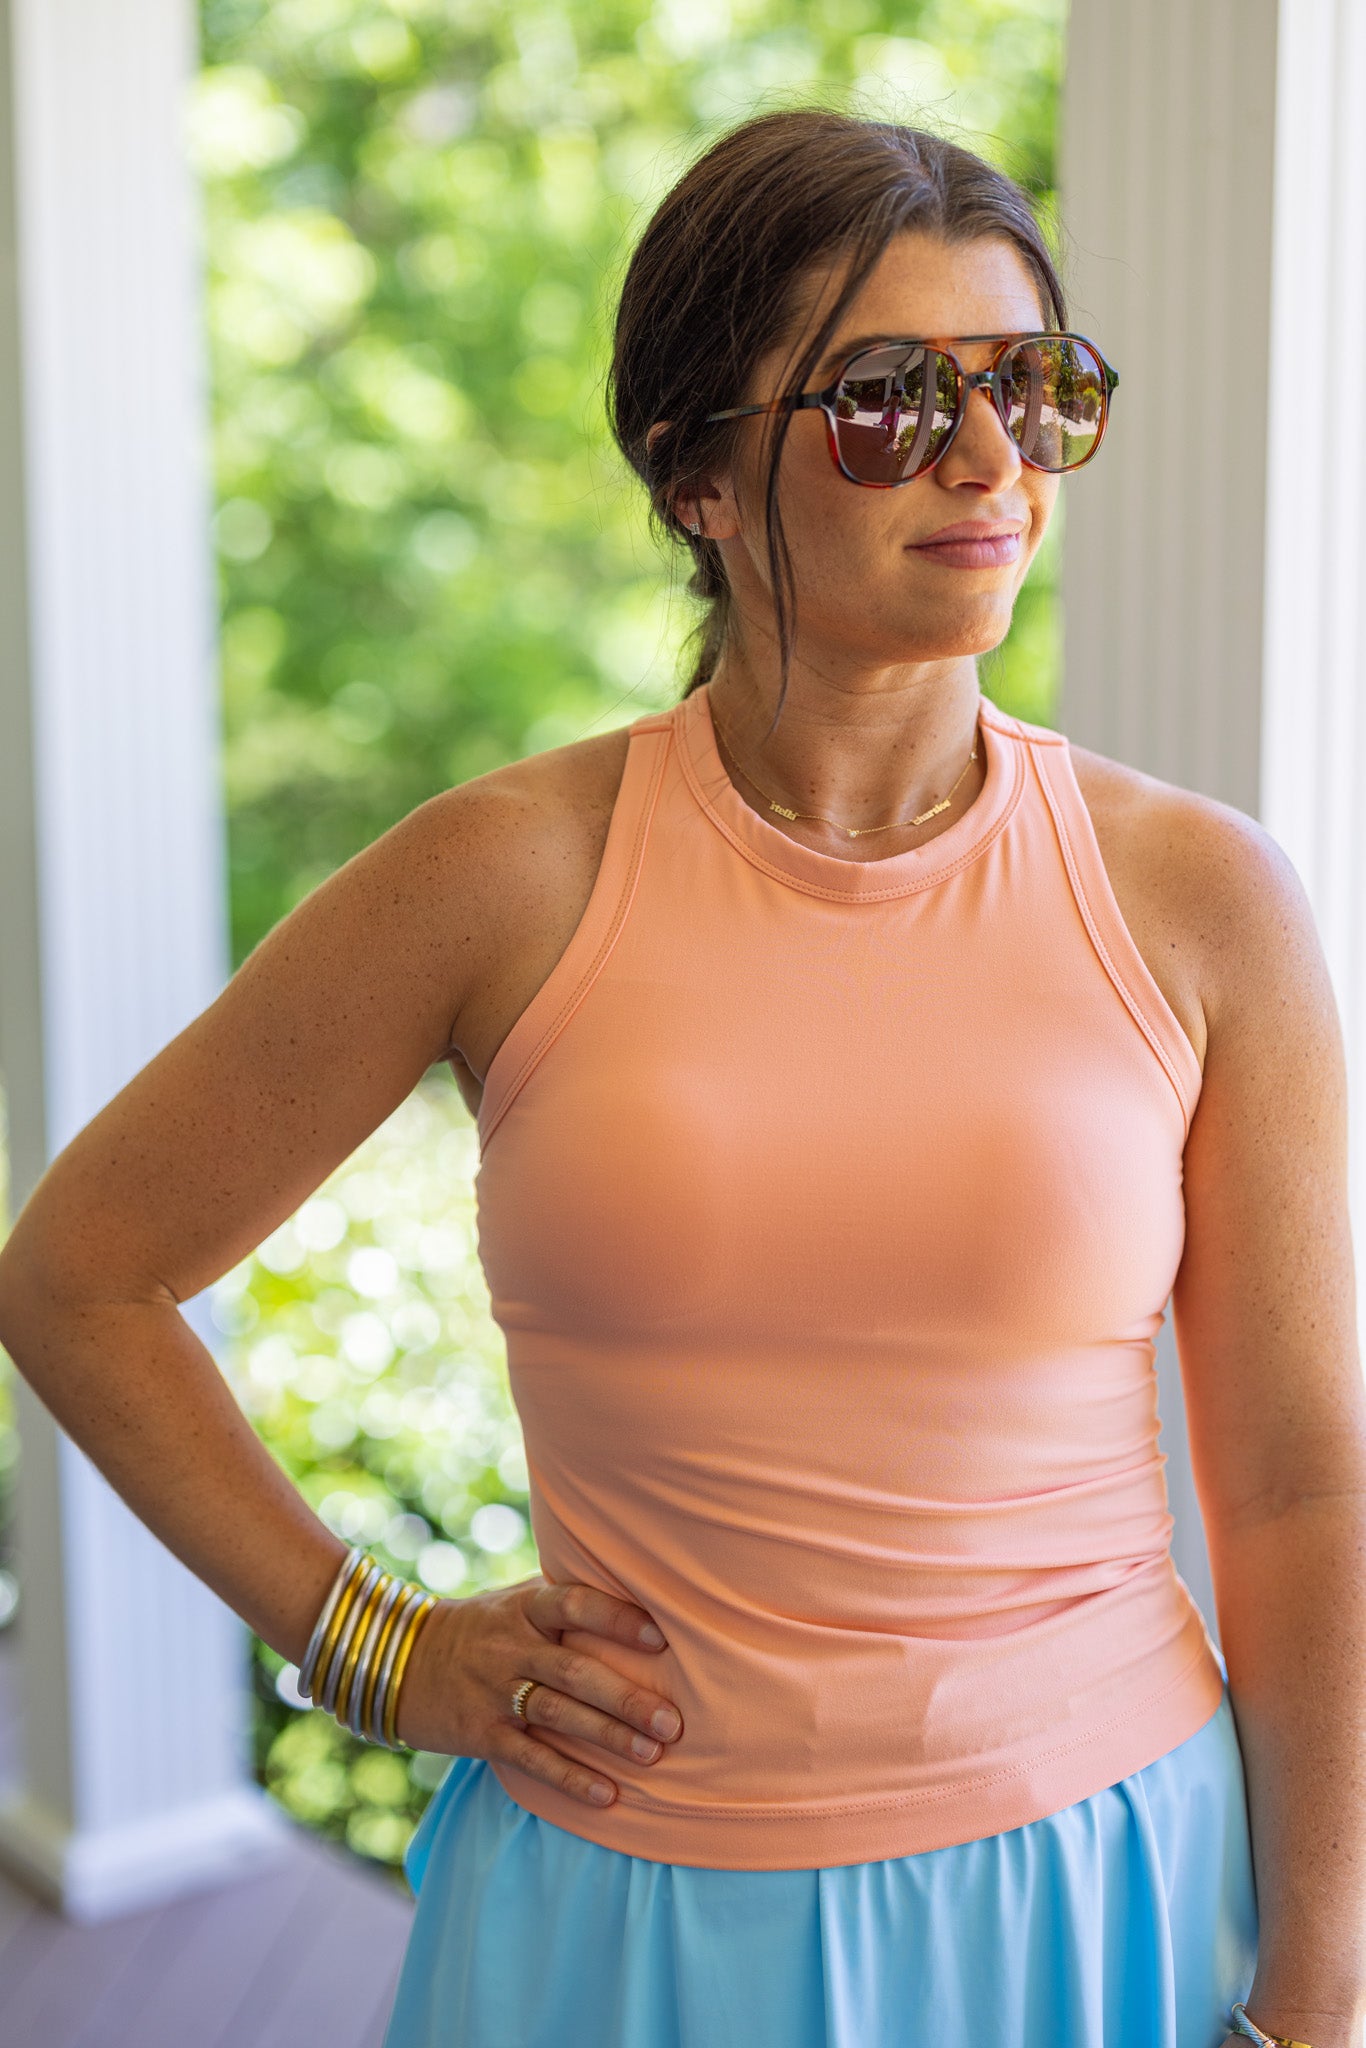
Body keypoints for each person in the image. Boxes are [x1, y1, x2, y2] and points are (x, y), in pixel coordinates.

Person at [0, 105, 1362, 2048]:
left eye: (1029, 387)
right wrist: (371, 1646)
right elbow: (81, 1274)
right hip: (625, 1917)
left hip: (1097, 1892)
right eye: (887, 400)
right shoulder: (503, 875)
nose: (987, 458)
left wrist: (1313, 1999)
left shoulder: (1200, 897)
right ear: (696, 474)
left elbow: (1301, 1490)